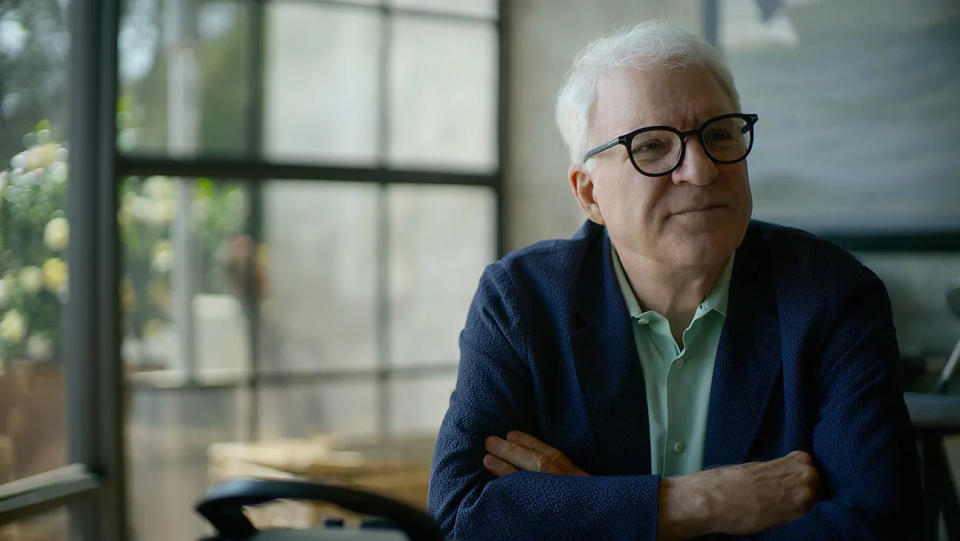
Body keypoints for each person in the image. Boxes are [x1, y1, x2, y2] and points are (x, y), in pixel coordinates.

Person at [427, 20, 921, 540]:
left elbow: (878, 525)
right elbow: (464, 515)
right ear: (590, 194)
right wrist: (695, 502)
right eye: (653, 146)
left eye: (720, 134)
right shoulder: (520, 300)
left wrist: (596, 514)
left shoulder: (832, 295)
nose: (700, 171)